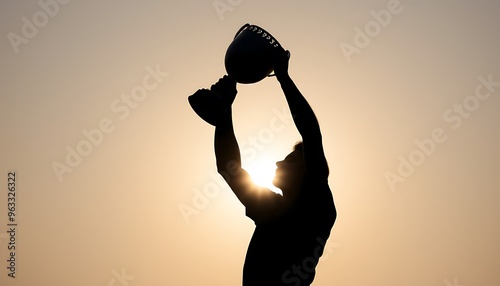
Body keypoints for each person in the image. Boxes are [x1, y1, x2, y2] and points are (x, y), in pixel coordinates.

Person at [213, 50, 337, 286]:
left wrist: (283, 77)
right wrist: (224, 112)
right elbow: (229, 169)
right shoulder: (270, 207)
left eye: (289, 161)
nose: (279, 163)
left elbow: (311, 133)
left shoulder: (316, 204)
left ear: (307, 170)